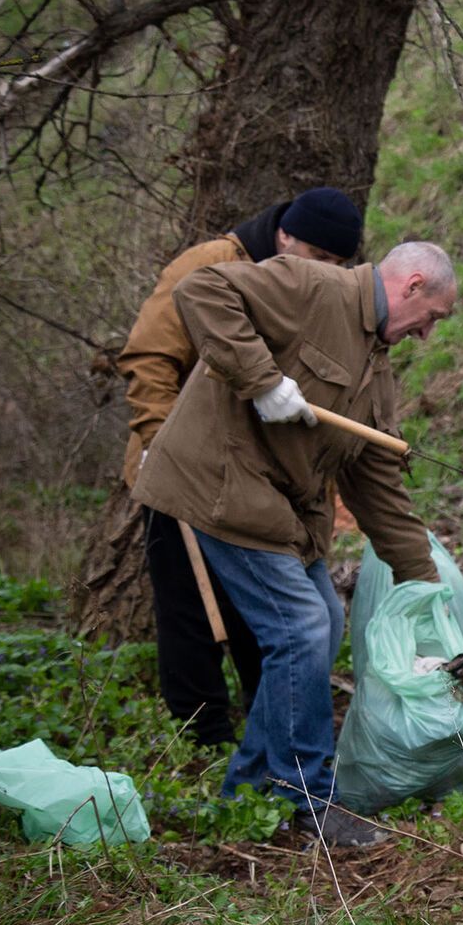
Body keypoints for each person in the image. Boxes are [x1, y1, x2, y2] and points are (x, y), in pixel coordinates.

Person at [132, 241, 458, 846]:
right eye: (433, 316)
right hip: (217, 483)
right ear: (412, 286)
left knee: (322, 620)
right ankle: (307, 796)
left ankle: (249, 790)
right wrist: (260, 380)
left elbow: (374, 478)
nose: (427, 334)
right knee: (302, 626)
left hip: (272, 505)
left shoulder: (375, 366)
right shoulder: (314, 288)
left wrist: (422, 579)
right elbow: (199, 291)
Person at [118, 188, 365, 747]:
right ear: (284, 237)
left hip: (257, 483)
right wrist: (157, 438)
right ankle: (202, 736)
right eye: (316, 256)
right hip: (181, 470)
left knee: (265, 611)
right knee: (189, 611)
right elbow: (150, 358)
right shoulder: (211, 267)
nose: (323, 271)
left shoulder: (316, 291)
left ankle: (265, 725)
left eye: (335, 265)